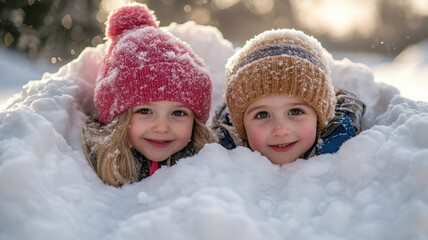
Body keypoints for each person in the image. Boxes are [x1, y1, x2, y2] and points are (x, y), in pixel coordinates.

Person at [81, 3, 216, 187]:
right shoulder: (87, 169)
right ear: (117, 117)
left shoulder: (208, 166)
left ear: (196, 122)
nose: (161, 128)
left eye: (178, 113)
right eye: (145, 111)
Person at [211, 28, 365, 165]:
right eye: (262, 114)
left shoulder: (346, 158)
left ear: (320, 117)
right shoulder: (220, 162)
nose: (280, 130)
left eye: (295, 111)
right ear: (241, 127)